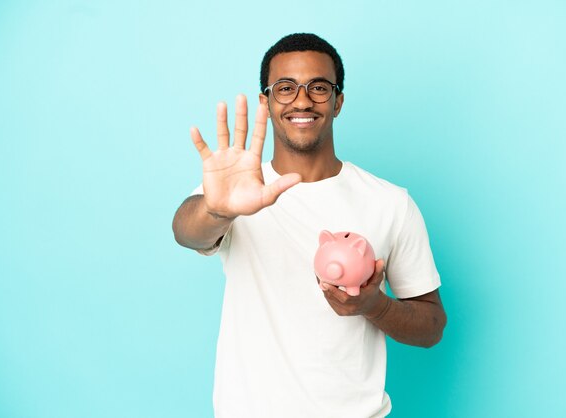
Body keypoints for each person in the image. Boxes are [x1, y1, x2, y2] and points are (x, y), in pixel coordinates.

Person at [172, 33, 447, 418]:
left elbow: (432, 325)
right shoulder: (238, 190)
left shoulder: (390, 202)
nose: (302, 100)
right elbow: (186, 232)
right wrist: (219, 210)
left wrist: (375, 306)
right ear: (266, 103)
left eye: (318, 87)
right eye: (285, 88)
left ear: (338, 102)